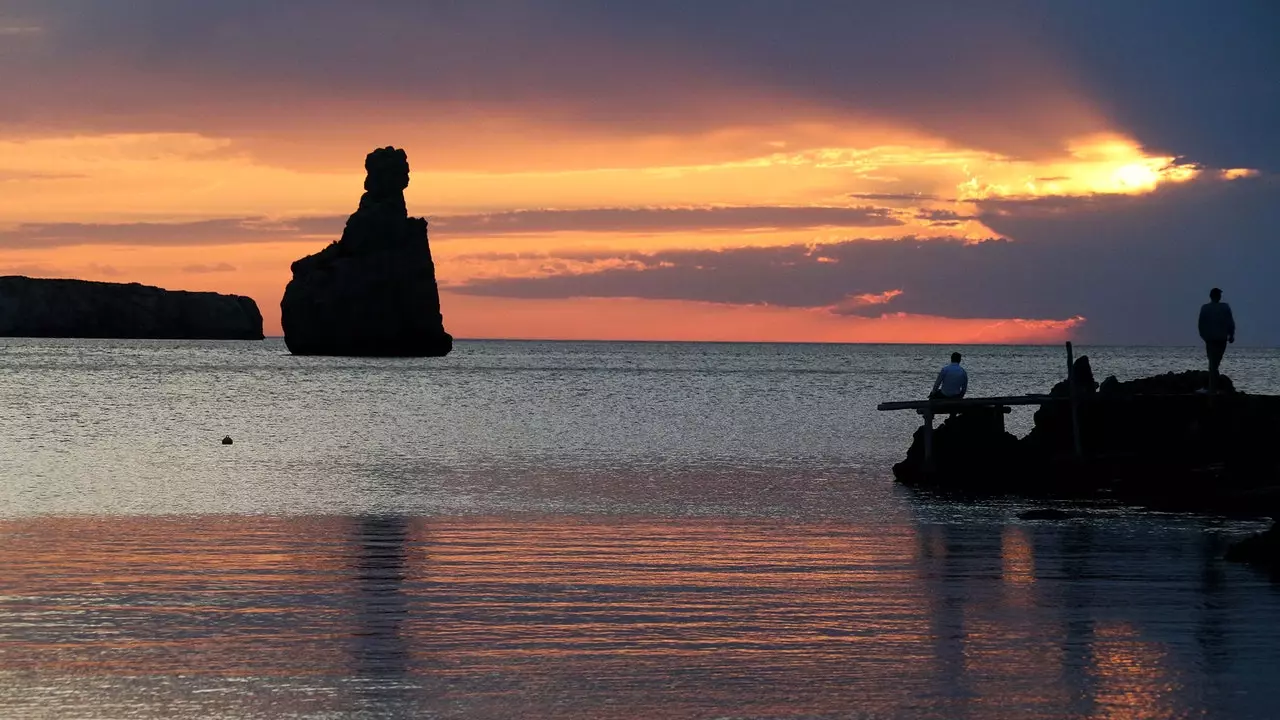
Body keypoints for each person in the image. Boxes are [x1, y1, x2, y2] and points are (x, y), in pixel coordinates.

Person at [1198, 287, 1235, 393]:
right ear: (1218, 296)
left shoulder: (1205, 308)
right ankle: (1213, 387)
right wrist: (1231, 335)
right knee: (1214, 363)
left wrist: (1204, 336)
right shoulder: (1224, 307)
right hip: (1220, 339)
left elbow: (1201, 325)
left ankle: (1212, 387)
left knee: (1213, 363)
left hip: (1211, 339)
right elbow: (1230, 323)